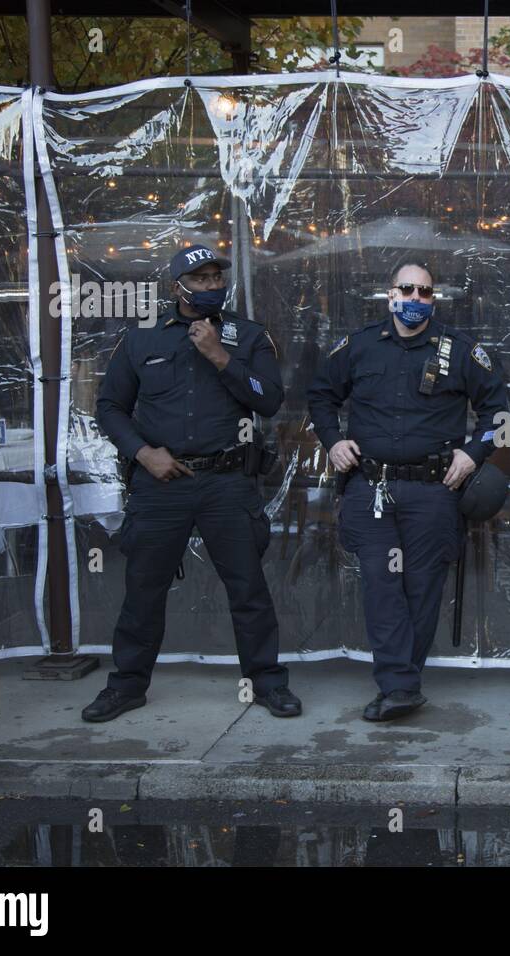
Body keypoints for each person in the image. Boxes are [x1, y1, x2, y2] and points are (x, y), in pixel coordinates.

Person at [82, 244, 301, 722]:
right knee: (143, 588)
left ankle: (266, 683)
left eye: (215, 278)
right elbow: (110, 407)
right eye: (199, 279)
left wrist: (221, 357)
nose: (210, 286)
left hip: (227, 481)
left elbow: (269, 401)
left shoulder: (247, 335)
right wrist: (143, 452)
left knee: (248, 588)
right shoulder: (142, 337)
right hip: (161, 482)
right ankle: (127, 685)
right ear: (176, 287)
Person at [307, 261, 508, 722]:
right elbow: (320, 395)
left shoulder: (460, 351)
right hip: (371, 487)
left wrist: (473, 454)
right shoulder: (358, 347)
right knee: (382, 585)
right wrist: (333, 441)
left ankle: (400, 684)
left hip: (434, 489)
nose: (416, 299)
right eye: (407, 290)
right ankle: (400, 685)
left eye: (425, 292)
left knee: (422, 588)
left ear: (433, 299)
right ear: (390, 293)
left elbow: (498, 410)